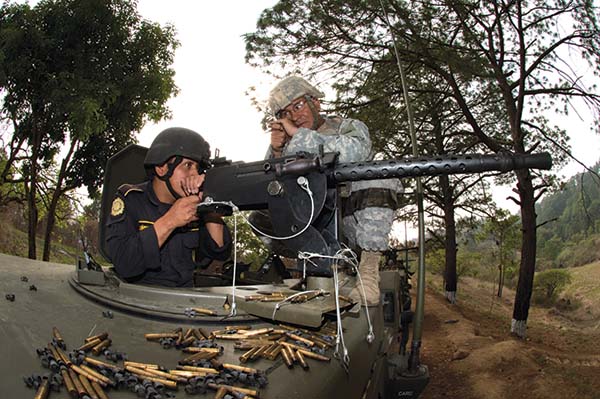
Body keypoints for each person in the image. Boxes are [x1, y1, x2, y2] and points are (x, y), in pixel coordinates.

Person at [260, 75, 402, 305]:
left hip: (349, 223)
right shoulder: (283, 144)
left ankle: (368, 271)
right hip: (310, 225)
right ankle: (318, 269)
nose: (295, 116)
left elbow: (356, 152)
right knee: (259, 216)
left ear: (316, 102)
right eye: (286, 113)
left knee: (381, 174)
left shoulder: (347, 127)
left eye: (298, 106)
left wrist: (298, 137)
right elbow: (267, 185)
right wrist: (277, 152)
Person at [105, 127, 232, 287]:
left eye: (198, 168)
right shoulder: (131, 199)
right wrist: (171, 220)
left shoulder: (196, 205)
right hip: (138, 297)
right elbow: (125, 264)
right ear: (162, 168)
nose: (195, 174)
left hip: (185, 298)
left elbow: (219, 253)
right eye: (188, 166)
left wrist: (210, 207)